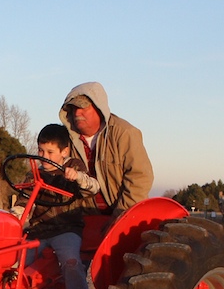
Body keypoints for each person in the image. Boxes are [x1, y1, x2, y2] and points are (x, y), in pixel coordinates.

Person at [25, 123, 99, 289]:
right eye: (40, 150)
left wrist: (77, 177)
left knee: (71, 262)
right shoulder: (35, 174)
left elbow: (93, 187)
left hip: (66, 228)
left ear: (64, 151)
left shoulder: (74, 168)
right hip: (39, 230)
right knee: (15, 263)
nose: (43, 156)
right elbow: (23, 203)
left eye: (49, 152)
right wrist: (14, 217)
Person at [59, 82, 153, 215]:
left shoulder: (124, 133)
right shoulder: (64, 141)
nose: (77, 113)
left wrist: (120, 216)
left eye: (83, 107)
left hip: (121, 215)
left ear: (99, 107)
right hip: (83, 220)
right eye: (73, 108)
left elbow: (140, 178)